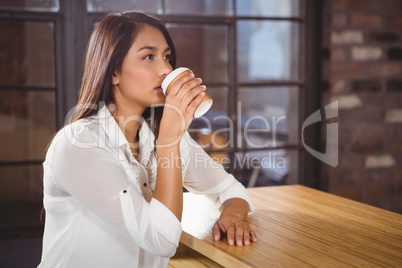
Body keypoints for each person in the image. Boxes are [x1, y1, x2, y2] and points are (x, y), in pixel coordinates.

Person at [38, 11, 257, 268]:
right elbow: (161, 241)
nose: (166, 69)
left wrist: (232, 215)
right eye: (148, 56)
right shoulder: (79, 143)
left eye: (166, 57)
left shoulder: (160, 134)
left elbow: (230, 190)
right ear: (113, 73)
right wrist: (169, 142)